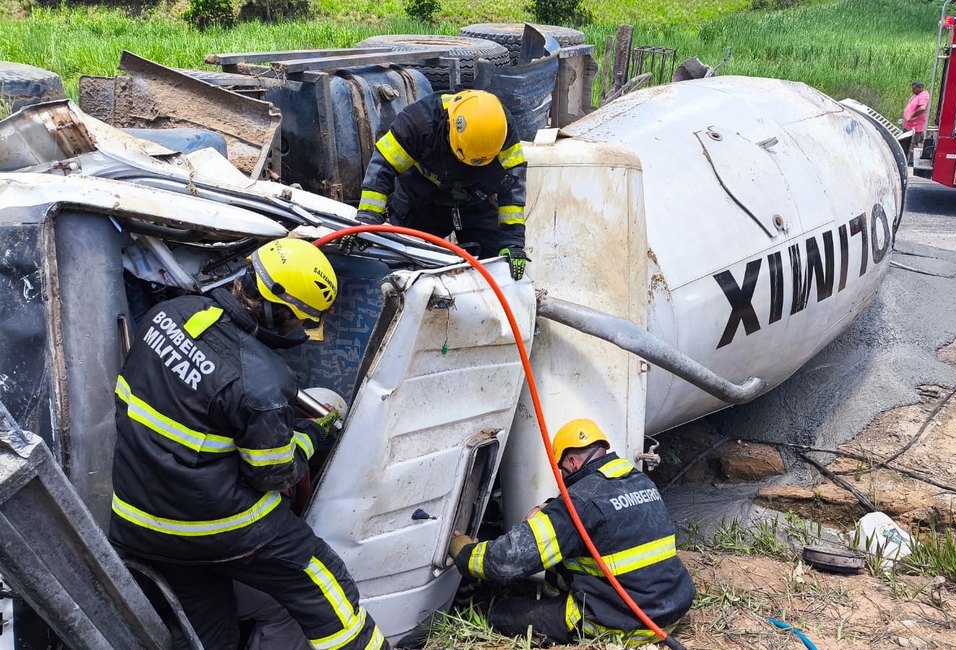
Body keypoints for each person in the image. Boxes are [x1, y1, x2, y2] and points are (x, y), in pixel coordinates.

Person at [109, 237, 387, 650]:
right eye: (302, 320)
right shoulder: (261, 381)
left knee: (209, 628)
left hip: (137, 520)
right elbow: (275, 474)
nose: (300, 329)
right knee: (323, 582)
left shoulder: (168, 315)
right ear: (281, 310)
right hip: (215, 527)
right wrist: (313, 433)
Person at [448, 419, 695, 646]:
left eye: (561, 471)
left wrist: (465, 551)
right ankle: (554, 603)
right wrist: (549, 507)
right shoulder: (639, 481)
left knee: (503, 612)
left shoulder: (578, 504)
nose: (561, 480)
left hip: (623, 623)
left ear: (572, 462)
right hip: (671, 609)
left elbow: (506, 561)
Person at [356, 89, 529, 280]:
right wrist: (366, 222)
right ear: (449, 126)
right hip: (421, 202)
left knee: (496, 263)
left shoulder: (501, 128)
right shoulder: (417, 123)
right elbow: (382, 167)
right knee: (406, 268)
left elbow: (512, 187)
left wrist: (513, 242)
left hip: (474, 200)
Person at [901, 80, 931, 154]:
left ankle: (907, 161)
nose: (913, 90)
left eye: (914, 88)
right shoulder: (917, 95)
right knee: (904, 145)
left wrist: (911, 116)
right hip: (909, 126)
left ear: (920, 88)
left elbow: (922, 108)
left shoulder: (924, 95)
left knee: (910, 147)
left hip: (915, 128)